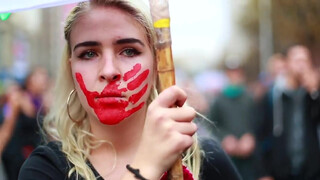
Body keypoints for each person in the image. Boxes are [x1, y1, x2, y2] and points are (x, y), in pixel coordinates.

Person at [19, 0, 241, 180]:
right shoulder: (45, 169)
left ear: (157, 64)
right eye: (89, 53)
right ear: (71, 69)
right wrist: (146, 167)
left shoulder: (204, 159)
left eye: (128, 51)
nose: (108, 71)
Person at [257, 45, 320, 180]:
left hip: (311, 172)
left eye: (305, 60)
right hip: (281, 172)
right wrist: (264, 173)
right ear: (287, 64)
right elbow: (261, 134)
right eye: (297, 60)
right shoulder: (273, 96)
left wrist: (314, 93)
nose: (301, 65)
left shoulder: (313, 94)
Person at [208, 61, 256, 180]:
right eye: (231, 72)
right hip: (229, 156)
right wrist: (224, 138)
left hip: (249, 157)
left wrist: (250, 136)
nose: (234, 75)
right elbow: (212, 124)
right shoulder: (219, 99)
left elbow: (258, 122)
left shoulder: (250, 97)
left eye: (236, 72)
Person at [2, 67, 50, 180]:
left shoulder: (42, 101)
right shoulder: (18, 98)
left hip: (33, 153)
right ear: (30, 80)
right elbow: (8, 126)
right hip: (16, 154)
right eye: (40, 77)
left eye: (45, 77)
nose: (44, 80)